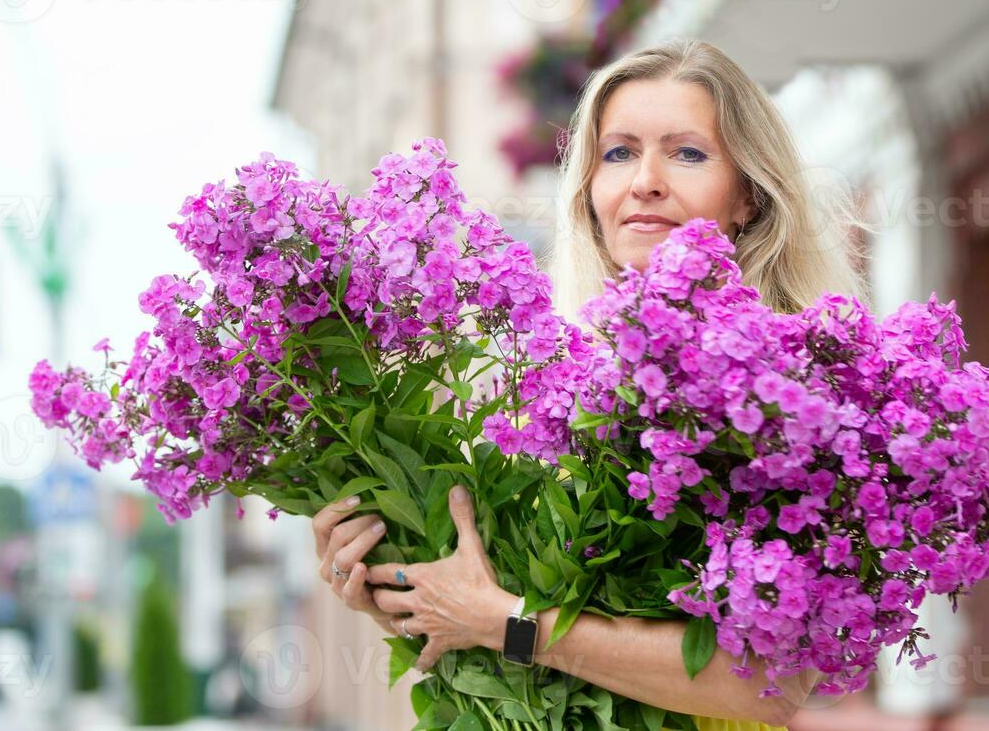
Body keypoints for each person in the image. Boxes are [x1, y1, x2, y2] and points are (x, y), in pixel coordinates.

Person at [314, 39, 868, 729]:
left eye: (688, 153)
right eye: (620, 153)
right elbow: (483, 619)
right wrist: (395, 584)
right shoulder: (549, 384)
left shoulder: (797, 399)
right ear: (589, 193)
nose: (646, 181)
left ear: (749, 197)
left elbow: (766, 684)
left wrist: (510, 624)